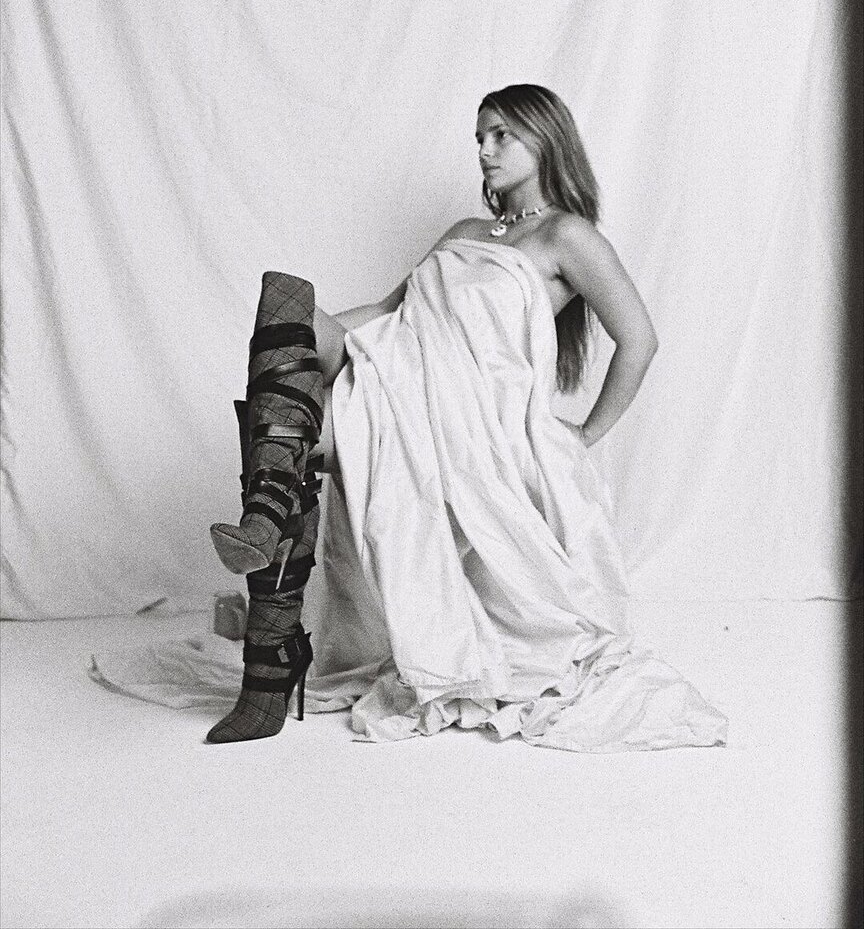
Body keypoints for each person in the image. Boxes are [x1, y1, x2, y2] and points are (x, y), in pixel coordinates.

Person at [207, 84, 727, 752]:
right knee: (286, 304)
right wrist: (303, 345)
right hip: (393, 374)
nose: (484, 150)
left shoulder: (566, 235)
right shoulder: (462, 233)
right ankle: (268, 527)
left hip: (466, 417)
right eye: (480, 136)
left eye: (501, 135)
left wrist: (585, 435)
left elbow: (640, 339)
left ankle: (271, 652)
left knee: (283, 424)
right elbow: (391, 313)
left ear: (545, 138)